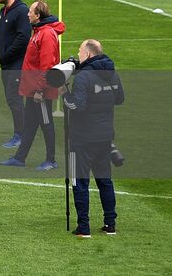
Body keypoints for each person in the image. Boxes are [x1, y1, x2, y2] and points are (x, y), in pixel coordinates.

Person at [65, 39, 124, 238]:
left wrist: (65, 96)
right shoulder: (112, 73)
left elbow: (77, 107)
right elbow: (120, 99)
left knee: (78, 181)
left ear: (88, 54)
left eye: (80, 51)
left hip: (81, 138)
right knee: (104, 180)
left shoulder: (83, 77)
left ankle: (84, 227)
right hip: (105, 136)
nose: (78, 55)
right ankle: (110, 224)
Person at [1, 0, 65, 171]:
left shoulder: (46, 34)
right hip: (33, 90)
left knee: (46, 123)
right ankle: (20, 158)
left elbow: (47, 66)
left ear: (38, 15)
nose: (27, 14)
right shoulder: (39, 31)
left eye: (30, 11)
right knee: (30, 124)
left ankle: (51, 160)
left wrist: (39, 90)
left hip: (40, 91)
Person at [0, 0, 32, 149]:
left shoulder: (21, 11)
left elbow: (23, 38)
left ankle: (21, 135)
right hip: (6, 64)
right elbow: (1, 37)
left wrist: (7, 55)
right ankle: (21, 132)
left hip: (17, 64)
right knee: (11, 99)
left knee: (14, 99)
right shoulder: (3, 12)